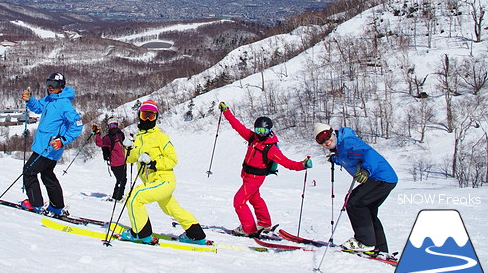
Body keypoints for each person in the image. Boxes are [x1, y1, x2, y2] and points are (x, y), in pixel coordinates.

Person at [120, 100, 207, 245]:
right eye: (144, 115)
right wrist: (127, 149)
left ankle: (140, 233)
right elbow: (130, 159)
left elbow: (173, 159)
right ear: (139, 116)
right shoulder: (139, 138)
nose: (147, 119)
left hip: (164, 181)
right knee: (171, 209)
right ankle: (196, 235)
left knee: (134, 197)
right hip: (152, 182)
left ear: (156, 117)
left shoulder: (161, 137)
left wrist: (153, 163)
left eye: (151, 116)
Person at [219, 102, 312, 237]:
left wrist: (303, 165)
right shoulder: (252, 137)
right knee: (255, 199)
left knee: (239, 202)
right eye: (258, 130)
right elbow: (237, 126)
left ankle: (249, 229)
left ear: (269, 131)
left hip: (255, 179)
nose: (261, 134)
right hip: (246, 175)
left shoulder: (271, 148)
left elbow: (287, 163)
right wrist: (226, 111)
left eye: (264, 131)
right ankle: (264, 222)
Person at [313, 123, 398, 253]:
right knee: (368, 210)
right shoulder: (341, 147)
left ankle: (365, 242)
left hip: (380, 177)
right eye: (321, 141)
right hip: (385, 179)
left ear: (332, 133)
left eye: (327, 136)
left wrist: (366, 171)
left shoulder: (347, 142)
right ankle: (380, 248)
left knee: (354, 203)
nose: (326, 142)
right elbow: (348, 157)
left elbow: (368, 153)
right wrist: (335, 159)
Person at [19, 72, 83, 214]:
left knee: (29, 172)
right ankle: (57, 206)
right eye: (48, 83)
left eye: (54, 84)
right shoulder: (50, 99)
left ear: (61, 86)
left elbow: (78, 124)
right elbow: (37, 108)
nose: (50, 87)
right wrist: (30, 99)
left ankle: (36, 204)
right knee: (47, 175)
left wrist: (63, 140)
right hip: (45, 146)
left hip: (48, 147)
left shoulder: (64, 104)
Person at [92, 119, 127, 201]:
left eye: (115, 125)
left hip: (123, 161)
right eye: (111, 125)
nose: (114, 127)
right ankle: (117, 197)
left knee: (123, 179)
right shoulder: (108, 138)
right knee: (121, 180)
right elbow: (99, 143)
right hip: (115, 163)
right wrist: (97, 134)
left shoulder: (120, 134)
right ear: (109, 127)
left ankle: (118, 196)